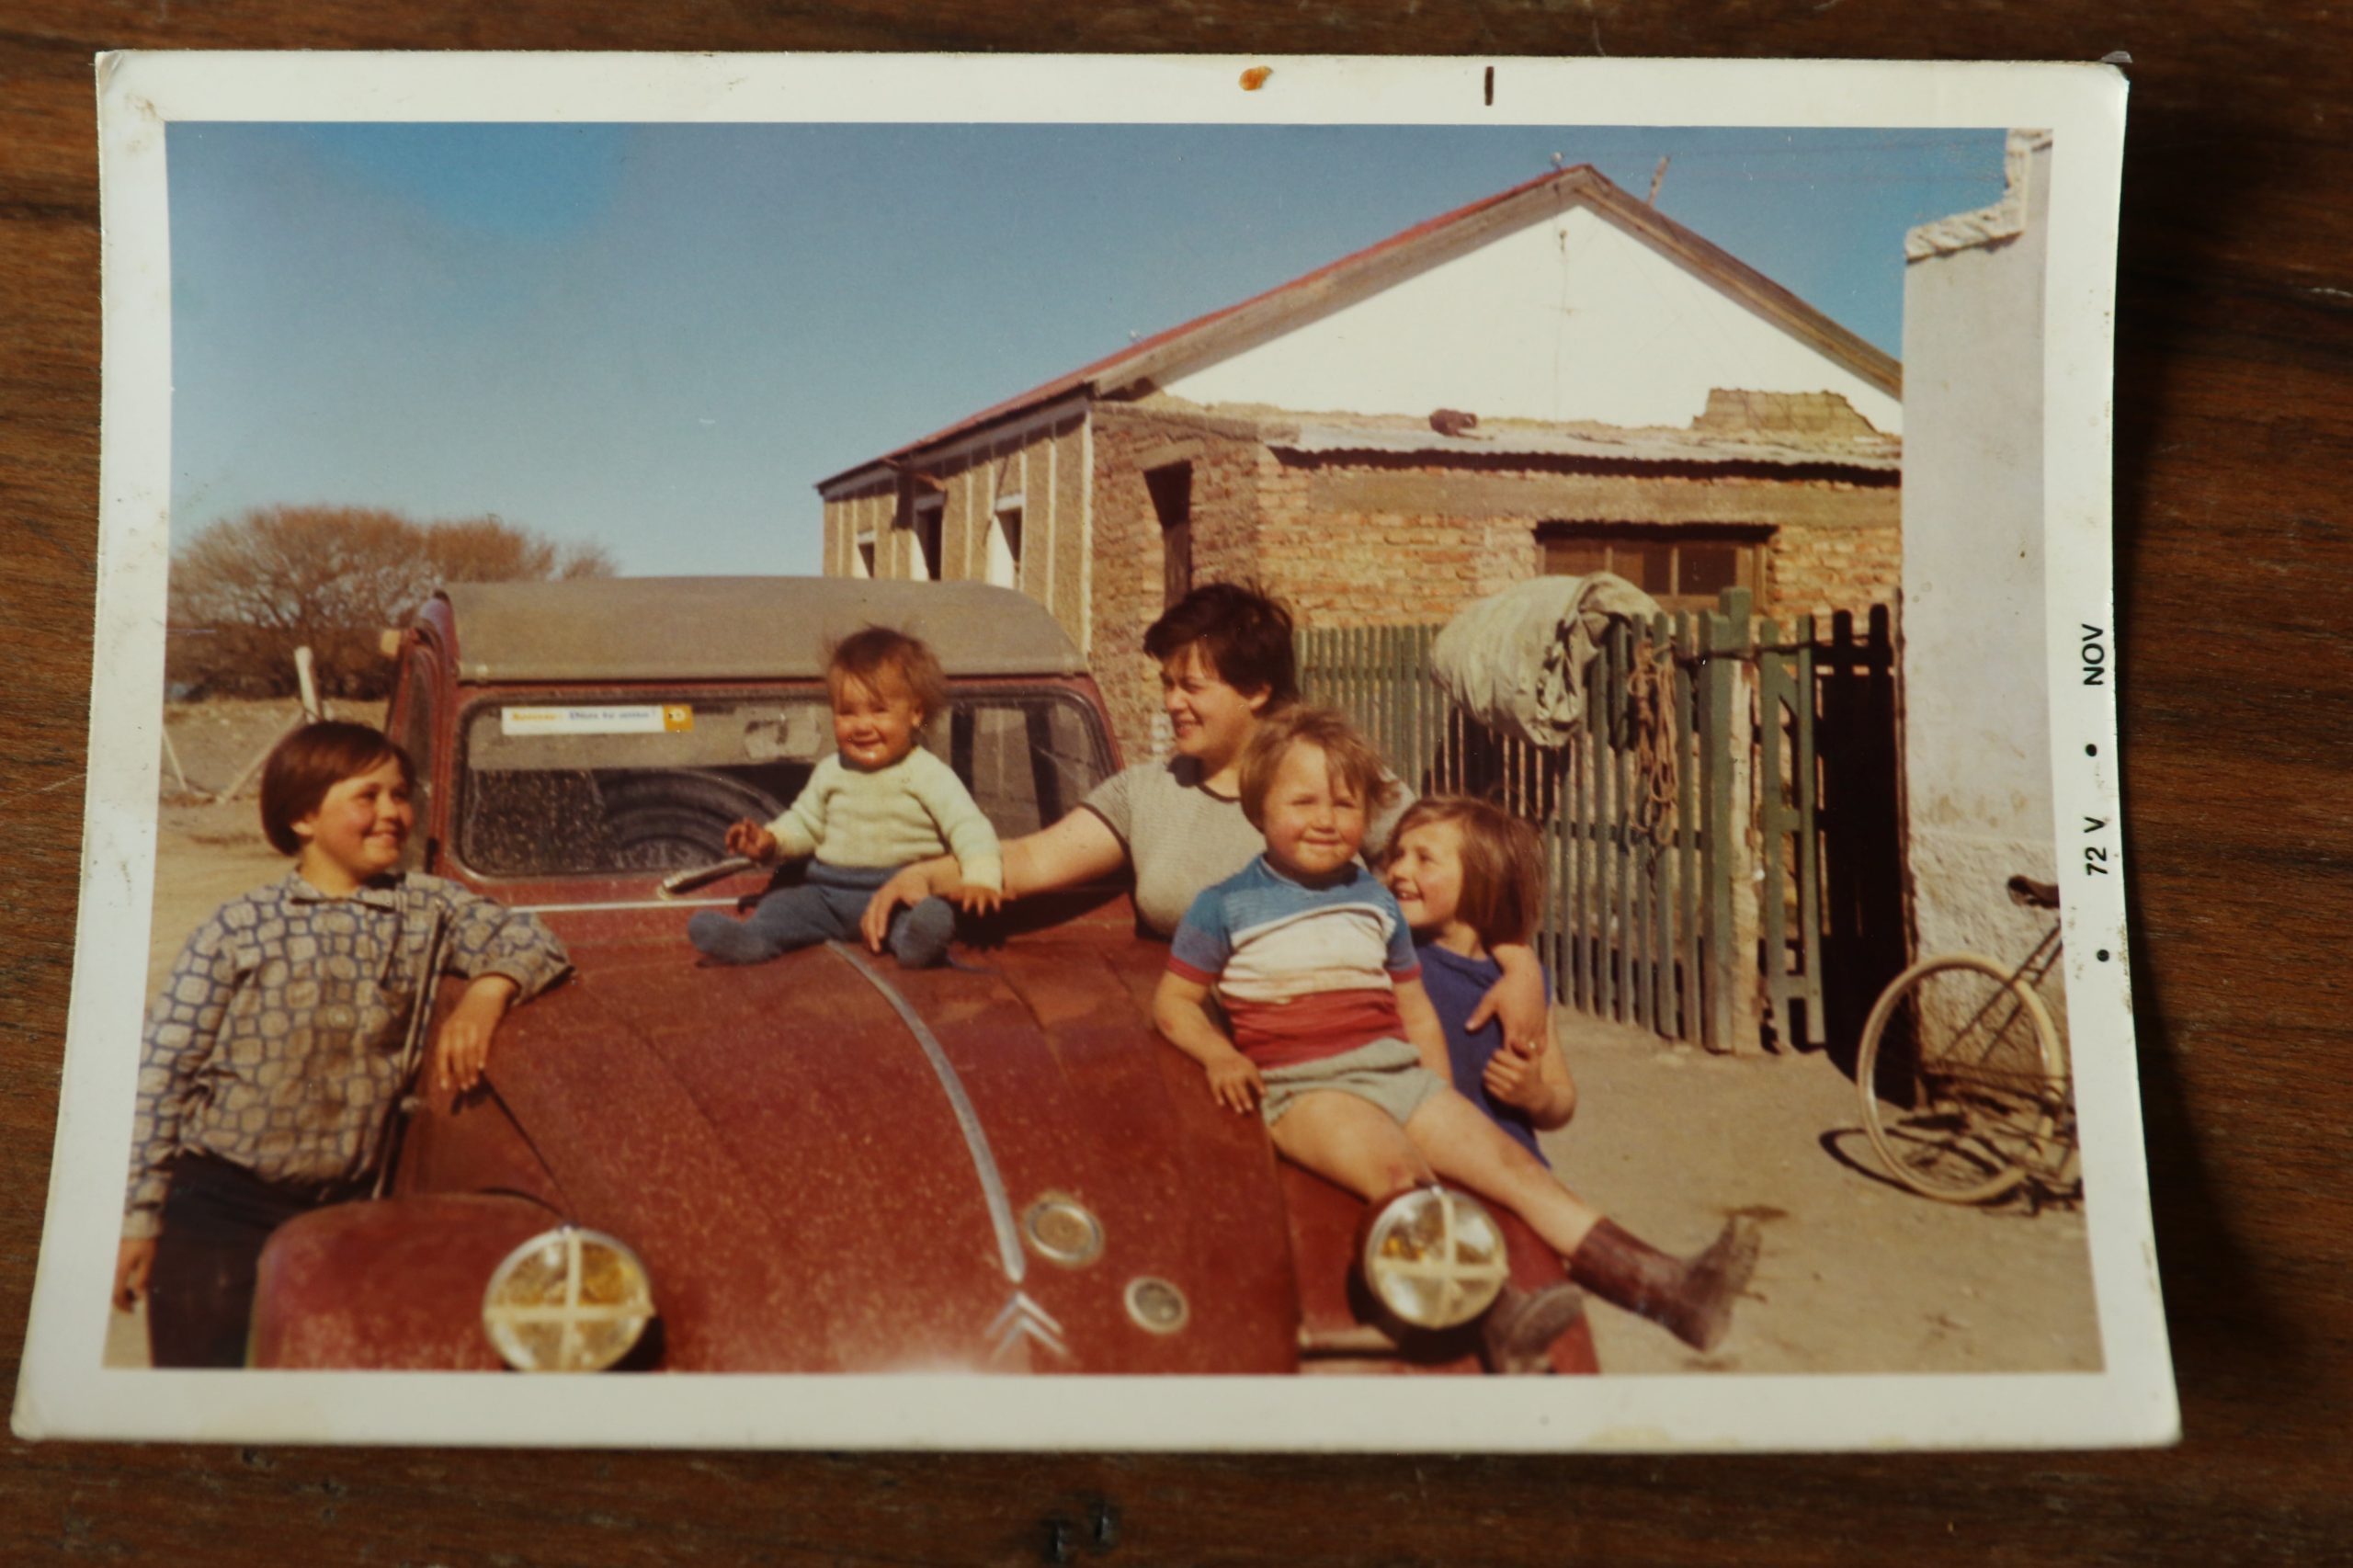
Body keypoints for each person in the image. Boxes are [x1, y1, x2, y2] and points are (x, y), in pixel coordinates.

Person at [1153, 707, 1760, 1354]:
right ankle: (1496, 1319)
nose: (1327, 820)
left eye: (1345, 803)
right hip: (1308, 1089)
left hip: (1398, 1076)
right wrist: (1219, 1055)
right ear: (1258, 809)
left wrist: (1436, 1093)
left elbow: (1412, 1009)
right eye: (1303, 802)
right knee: (1400, 1177)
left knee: (1515, 1169)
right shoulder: (1223, 905)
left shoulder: (1375, 898)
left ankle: (1671, 1290)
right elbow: (1175, 1002)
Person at [858, 582, 1550, 1046]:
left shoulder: (1336, 788)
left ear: (1256, 689)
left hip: (1327, 1049)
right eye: (1166, 685)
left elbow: (1459, 880)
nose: (1171, 703)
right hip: (1186, 1041)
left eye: (1191, 686)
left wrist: (1519, 970)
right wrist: (928, 872)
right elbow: (1035, 858)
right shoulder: (1146, 793)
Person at [115, 722, 571, 1369]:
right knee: (199, 1387)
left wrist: (487, 991)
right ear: (304, 815)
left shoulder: (428, 907)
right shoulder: (238, 926)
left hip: (347, 1208)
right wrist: (140, 1217)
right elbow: (162, 1071)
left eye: (400, 795)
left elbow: (532, 940)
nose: (392, 812)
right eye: (368, 796)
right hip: (220, 1202)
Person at [688, 626, 1002, 970]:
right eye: (847, 712)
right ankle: (753, 939)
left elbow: (969, 828)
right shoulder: (831, 770)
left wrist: (981, 880)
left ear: (916, 713)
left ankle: (918, 944)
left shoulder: (929, 774)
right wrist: (769, 841)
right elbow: (805, 824)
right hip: (827, 895)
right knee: (781, 906)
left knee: (922, 917)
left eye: (878, 710)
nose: (861, 726)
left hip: (896, 894)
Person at [1383, 797, 1577, 1160]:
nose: (1398, 870)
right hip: (1425, 1163)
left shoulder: (1525, 987)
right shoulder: (1395, 966)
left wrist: (1538, 1097)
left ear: (1482, 878)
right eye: (1397, 854)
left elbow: (1562, 1095)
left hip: (1511, 1165)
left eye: (1424, 859)